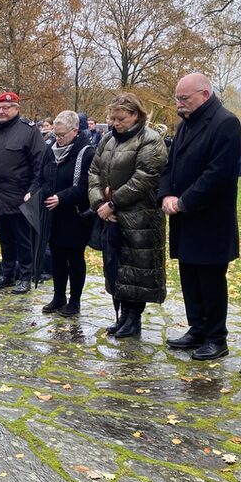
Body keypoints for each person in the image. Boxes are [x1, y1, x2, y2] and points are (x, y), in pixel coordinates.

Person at [160, 73, 241, 360]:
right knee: (189, 276)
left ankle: (216, 337)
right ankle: (197, 327)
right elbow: (170, 165)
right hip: (184, 217)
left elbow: (218, 175)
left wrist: (184, 201)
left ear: (204, 94)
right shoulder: (186, 124)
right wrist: (166, 196)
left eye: (185, 99)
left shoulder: (225, 123)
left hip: (210, 220)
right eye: (177, 99)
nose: (179, 105)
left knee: (210, 280)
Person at [88, 94, 168, 335]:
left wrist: (113, 204)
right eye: (112, 118)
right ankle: (123, 315)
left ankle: (134, 317)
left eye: (120, 118)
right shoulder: (107, 140)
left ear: (135, 115)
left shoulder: (151, 140)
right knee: (116, 267)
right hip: (110, 215)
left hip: (140, 217)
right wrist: (99, 203)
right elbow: (94, 172)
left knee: (137, 269)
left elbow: (144, 178)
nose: (115, 123)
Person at [0, 91, 47, 294]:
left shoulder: (29, 131)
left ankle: (25, 276)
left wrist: (33, 190)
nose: (2, 111)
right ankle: (7, 274)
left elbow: (40, 164)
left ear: (16, 108)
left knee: (23, 239)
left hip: (20, 196)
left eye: (6, 107)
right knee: (4, 238)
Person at [41, 110, 95, 316]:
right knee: (56, 256)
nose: (58, 138)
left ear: (75, 131)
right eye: (56, 134)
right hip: (54, 214)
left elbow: (84, 187)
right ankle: (58, 296)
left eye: (62, 134)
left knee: (74, 257)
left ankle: (75, 301)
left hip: (75, 214)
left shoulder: (86, 152)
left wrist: (61, 197)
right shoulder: (52, 149)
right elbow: (44, 176)